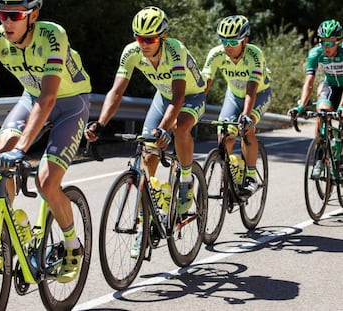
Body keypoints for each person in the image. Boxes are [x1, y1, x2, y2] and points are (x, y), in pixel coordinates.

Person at [0, 0, 91, 283]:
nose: (6, 22)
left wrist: (23, 149)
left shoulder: (52, 35)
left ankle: (72, 246)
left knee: (46, 181)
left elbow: (49, 97)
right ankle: (12, 231)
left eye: (14, 15)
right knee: (0, 158)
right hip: (31, 99)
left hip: (70, 104)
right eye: (1, 14)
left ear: (32, 16)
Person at [84, 6, 206, 257]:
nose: (144, 44)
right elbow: (116, 92)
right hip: (163, 97)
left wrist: (163, 129)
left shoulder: (175, 50)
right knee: (146, 156)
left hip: (190, 96)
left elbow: (179, 96)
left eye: (149, 39)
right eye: (139, 38)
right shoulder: (131, 53)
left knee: (181, 128)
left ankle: (184, 181)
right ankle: (144, 224)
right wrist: (100, 123)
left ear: (162, 37)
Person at [202, 15, 272, 195]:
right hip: (233, 94)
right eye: (224, 41)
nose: (227, 46)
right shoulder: (216, 54)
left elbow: (252, 88)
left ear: (244, 41)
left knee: (246, 128)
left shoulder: (254, 54)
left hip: (258, 94)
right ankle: (232, 170)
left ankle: (250, 177)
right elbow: (205, 85)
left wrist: (247, 115)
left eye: (233, 42)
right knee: (225, 134)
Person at [289, 19, 343, 177]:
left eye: (331, 43)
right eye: (323, 42)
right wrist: (301, 106)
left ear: (339, 42)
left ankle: (339, 153)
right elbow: (309, 83)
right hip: (330, 86)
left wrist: (341, 108)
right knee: (322, 112)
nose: (327, 47)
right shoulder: (315, 53)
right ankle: (319, 156)